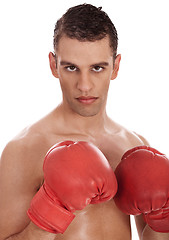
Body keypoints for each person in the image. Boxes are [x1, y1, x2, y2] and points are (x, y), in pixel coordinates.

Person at [0, 3, 169, 240]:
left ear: (116, 67)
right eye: (71, 68)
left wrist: (163, 218)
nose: (85, 85)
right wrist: (51, 210)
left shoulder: (134, 145)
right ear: (53, 65)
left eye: (97, 68)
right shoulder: (25, 149)